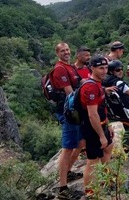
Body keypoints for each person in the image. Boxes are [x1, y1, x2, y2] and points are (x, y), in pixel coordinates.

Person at [50, 42, 85, 199]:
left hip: (74, 110)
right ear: (57, 53)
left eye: (67, 50)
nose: (66, 52)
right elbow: (70, 93)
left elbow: (79, 84)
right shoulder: (59, 69)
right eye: (62, 51)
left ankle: (68, 172)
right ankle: (62, 188)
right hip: (68, 112)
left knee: (81, 142)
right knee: (68, 148)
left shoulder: (70, 67)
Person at [79, 55, 115, 198]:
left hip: (101, 124)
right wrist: (101, 136)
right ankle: (91, 193)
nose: (104, 71)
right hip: (92, 128)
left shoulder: (98, 84)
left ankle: (105, 179)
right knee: (92, 160)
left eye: (106, 68)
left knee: (109, 147)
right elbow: (92, 115)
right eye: (101, 68)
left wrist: (108, 125)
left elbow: (101, 108)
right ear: (92, 68)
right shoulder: (90, 87)